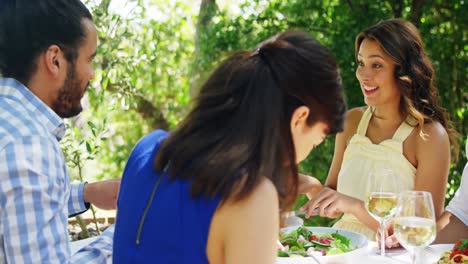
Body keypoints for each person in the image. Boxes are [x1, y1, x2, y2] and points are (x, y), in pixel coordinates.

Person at [112, 30, 347, 263]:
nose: (304, 155)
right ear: (299, 119)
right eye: (315, 142)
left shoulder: (148, 149)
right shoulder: (249, 193)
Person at [301, 18, 458, 242]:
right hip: (342, 249)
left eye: (376, 65)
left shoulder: (429, 136)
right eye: (361, 63)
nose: (364, 75)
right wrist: (311, 186)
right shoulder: (352, 122)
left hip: (392, 255)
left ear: (404, 71)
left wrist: (356, 207)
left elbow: (421, 231)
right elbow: (335, 202)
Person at [0, 0, 119, 262]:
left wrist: (85, 193)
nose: (92, 75)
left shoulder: (8, 123)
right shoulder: (29, 147)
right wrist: (124, 235)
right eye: (89, 59)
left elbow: (16, 208)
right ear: (55, 60)